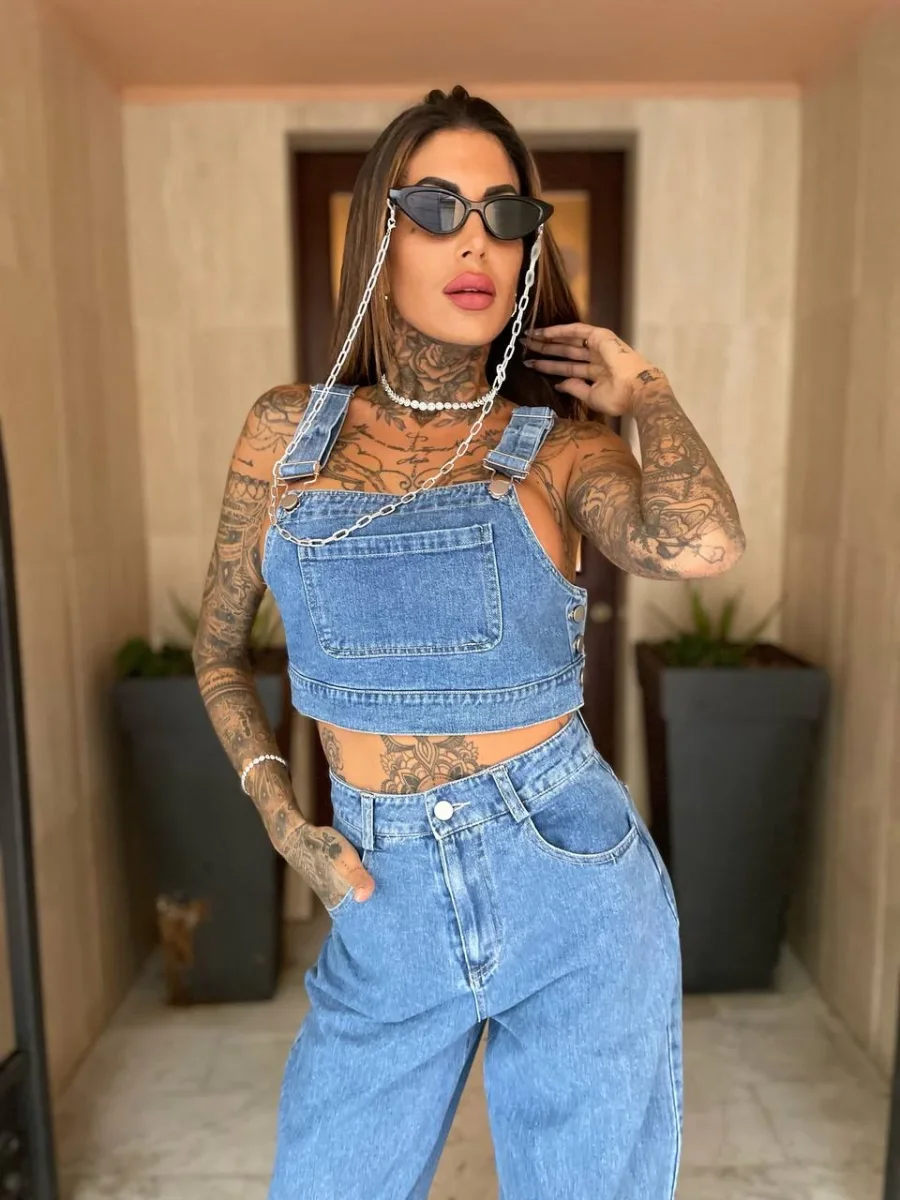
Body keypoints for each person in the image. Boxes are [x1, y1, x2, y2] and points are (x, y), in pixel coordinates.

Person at [193, 85, 744, 1200]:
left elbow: (702, 545)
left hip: (570, 882)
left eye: (506, 214)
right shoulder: (284, 433)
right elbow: (217, 647)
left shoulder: (561, 448)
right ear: (379, 231)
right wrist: (284, 823)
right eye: (438, 207)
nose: (475, 240)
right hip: (381, 893)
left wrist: (648, 392)